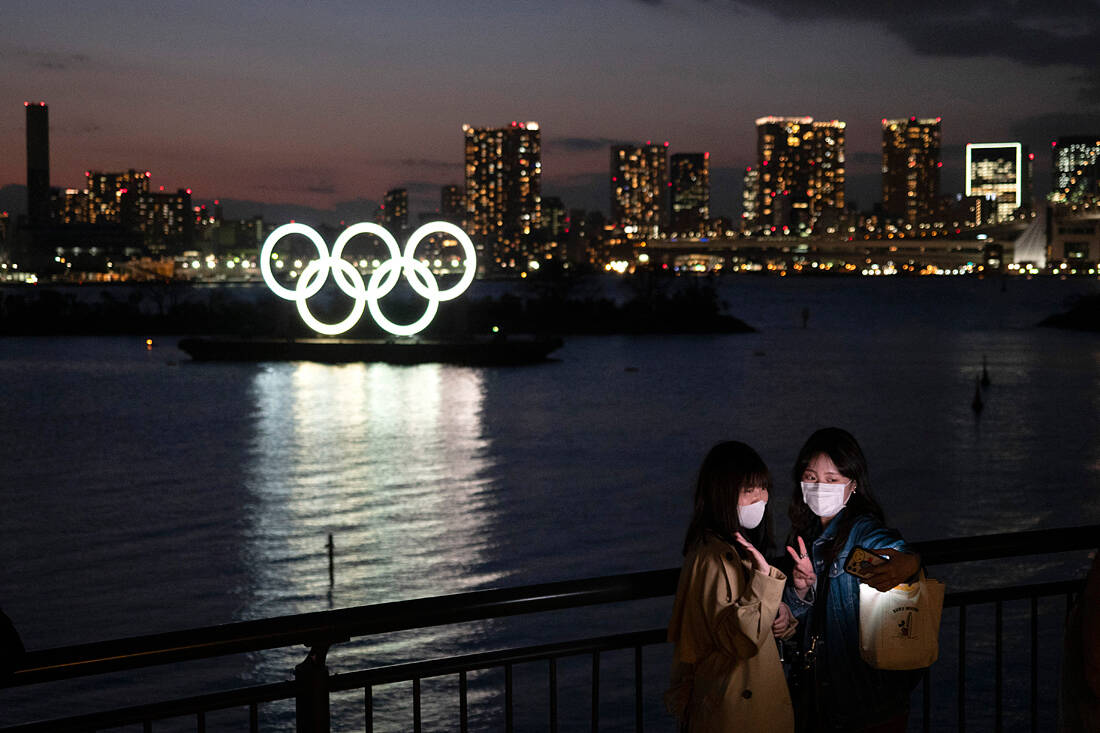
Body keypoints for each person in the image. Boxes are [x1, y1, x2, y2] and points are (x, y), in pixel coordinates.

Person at [782, 427, 921, 732]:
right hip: (821, 699)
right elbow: (805, 620)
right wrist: (801, 592)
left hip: (865, 704)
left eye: (832, 480)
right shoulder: (809, 537)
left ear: (853, 485)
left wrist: (909, 561)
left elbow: (894, 550)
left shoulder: (861, 532)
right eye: (811, 477)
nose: (820, 487)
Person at [666, 441, 795, 732]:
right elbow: (739, 640)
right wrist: (765, 580)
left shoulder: (732, 548)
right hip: (735, 709)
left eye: (763, 488)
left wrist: (783, 613)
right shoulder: (714, 559)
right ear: (721, 494)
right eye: (748, 490)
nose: (760, 498)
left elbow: (751, 618)